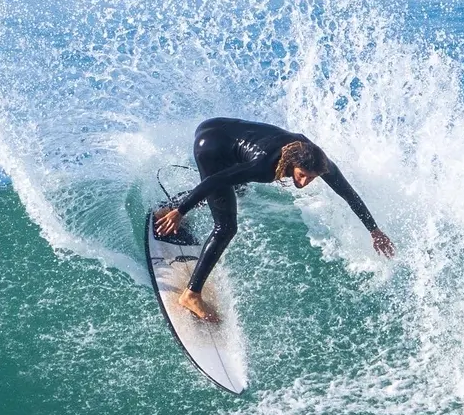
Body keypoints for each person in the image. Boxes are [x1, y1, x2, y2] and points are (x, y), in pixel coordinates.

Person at [154, 117, 395, 321]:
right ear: (292, 163)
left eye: (310, 179)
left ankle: (167, 209)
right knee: (226, 226)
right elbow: (215, 180)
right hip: (211, 148)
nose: (303, 183)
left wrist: (374, 230)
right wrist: (182, 211)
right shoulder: (265, 166)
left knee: (236, 190)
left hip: (219, 128)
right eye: (301, 176)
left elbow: (348, 194)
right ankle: (191, 294)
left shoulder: (321, 163)